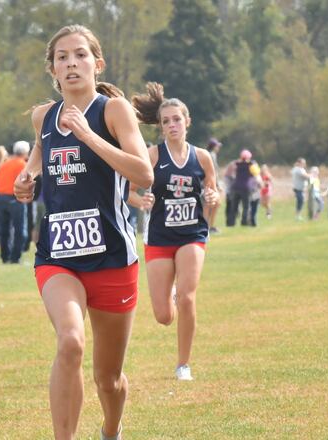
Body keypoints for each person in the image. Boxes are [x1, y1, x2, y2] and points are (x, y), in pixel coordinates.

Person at [12, 24, 153, 440]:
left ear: (97, 63)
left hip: (112, 257)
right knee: (70, 342)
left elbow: (143, 173)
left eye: (79, 55)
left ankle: (112, 428)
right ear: (53, 70)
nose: (71, 63)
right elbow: (41, 153)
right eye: (62, 57)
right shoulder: (44, 116)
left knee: (108, 380)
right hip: (58, 255)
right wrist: (27, 176)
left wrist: (88, 136)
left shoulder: (113, 111)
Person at [129, 82, 220, 381]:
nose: (172, 125)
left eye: (177, 119)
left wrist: (212, 201)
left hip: (192, 234)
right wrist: (141, 200)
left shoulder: (203, 158)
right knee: (163, 316)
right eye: (166, 121)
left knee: (187, 297)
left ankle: (183, 365)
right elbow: (127, 191)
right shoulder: (152, 156)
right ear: (161, 126)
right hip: (158, 237)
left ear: (187, 121)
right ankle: (169, 295)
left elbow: (213, 197)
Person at [0, 141, 29, 264]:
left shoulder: (6, 163)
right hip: (15, 198)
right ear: (25, 152)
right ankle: (15, 258)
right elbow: (26, 182)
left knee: (4, 229)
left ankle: (5, 257)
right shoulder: (22, 164)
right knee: (20, 230)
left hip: (0, 198)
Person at [227, 149, 254, 226]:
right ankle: (244, 222)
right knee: (246, 206)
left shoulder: (237, 164)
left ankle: (231, 223)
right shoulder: (251, 165)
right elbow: (254, 174)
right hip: (246, 187)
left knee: (234, 207)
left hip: (236, 187)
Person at [203, 137, 223, 234]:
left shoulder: (211, 154)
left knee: (214, 204)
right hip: (209, 184)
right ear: (214, 146)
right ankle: (207, 227)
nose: (218, 147)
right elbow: (212, 172)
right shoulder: (211, 155)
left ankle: (209, 226)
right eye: (217, 146)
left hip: (210, 183)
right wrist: (217, 185)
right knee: (209, 205)